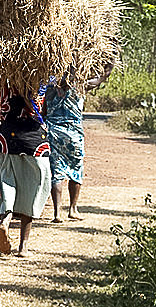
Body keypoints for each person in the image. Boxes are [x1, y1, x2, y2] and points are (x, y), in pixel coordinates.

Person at [44, 63, 113, 222]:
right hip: (74, 134)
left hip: (54, 132)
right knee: (76, 169)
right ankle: (73, 209)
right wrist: (112, 60)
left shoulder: (49, 86)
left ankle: (57, 212)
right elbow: (102, 77)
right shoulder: (80, 85)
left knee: (57, 171)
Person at [0, 79, 51, 257]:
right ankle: (23, 247)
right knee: (33, 188)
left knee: (7, 181)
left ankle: (7, 219)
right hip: (34, 139)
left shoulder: (2, 81)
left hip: (6, 138)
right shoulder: (40, 82)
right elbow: (44, 109)